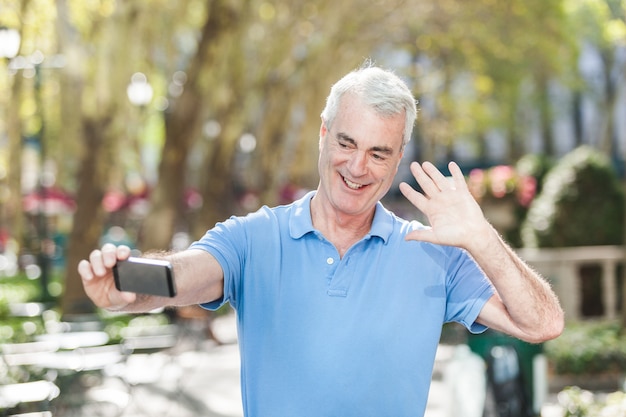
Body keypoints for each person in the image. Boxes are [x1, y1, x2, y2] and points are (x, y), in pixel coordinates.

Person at [78, 63, 564, 417]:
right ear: (324, 135)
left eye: (378, 153)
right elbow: (185, 275)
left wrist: (482, 238)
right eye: (347, 143)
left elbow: (542, 323)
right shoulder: (254, 238)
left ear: (397, 162)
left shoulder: (434, 252)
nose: (357, 167)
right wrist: (129, 290)